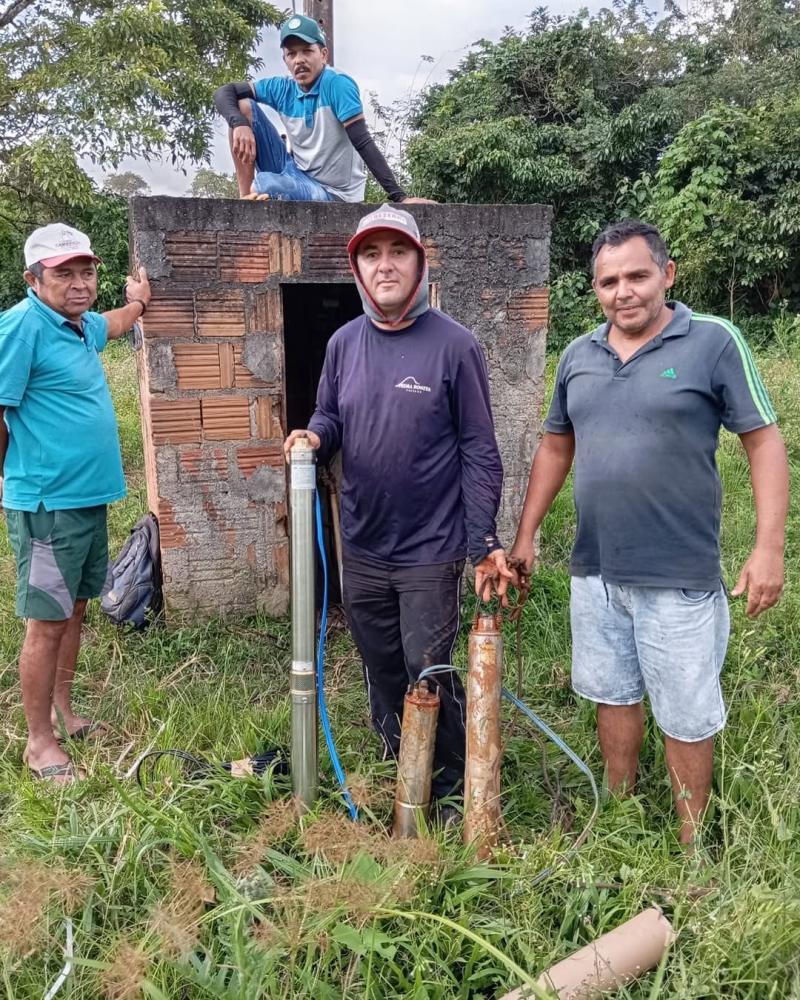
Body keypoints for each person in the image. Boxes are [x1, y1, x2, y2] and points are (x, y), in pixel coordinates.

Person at [509, 219, 789, 847]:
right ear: (595, 289)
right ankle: (620, 810)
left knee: (687, 713)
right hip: (596, 571)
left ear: (668, 274)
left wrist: (768, 546)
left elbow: (763, 440)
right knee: (613, 693)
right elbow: (557, 447)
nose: (622, 291)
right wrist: (526, 536)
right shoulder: (580, 356)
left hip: (679, 574)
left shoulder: (713, 342)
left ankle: (692, 846)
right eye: (608, 281)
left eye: (637, 275)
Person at [284, 205, 511, 815]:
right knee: (382, 665)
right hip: (361, 543)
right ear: (357, 268)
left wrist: (481, 538)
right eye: (370, 254)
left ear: (420, 261)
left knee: (427, 669)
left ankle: (451, 781)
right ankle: (398, 764)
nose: (384, 265)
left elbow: (479, 451)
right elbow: (331, 415)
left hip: (429, 550)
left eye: (397, 252)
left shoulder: (454, 345)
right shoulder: (342, 344)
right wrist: (313, 435)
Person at [0, 223, 151, 783]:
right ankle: (39, 745)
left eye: (86, 271)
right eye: (64, 273)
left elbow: (112, 325)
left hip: (87, 501)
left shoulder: (79, 326)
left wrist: (135, 304)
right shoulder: (21, 328)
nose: (80, 283)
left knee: (77, 608)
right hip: (48, 504)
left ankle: (64, 711)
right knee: (46, 620)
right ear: (34, 279)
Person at [214, 14, 432, 204]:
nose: (299, 60)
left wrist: (399, 197)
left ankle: (256, 191)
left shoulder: (337, 84)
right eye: (292, 54)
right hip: (294, 171)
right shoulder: (281, 88)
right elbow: (224, 92)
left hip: (331, 192)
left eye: (307, 51)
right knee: (242, 107)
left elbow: (362, 140)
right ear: (285, 59)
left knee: (266, 185)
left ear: (323, 54)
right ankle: (243, 200)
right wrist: (239, 123)